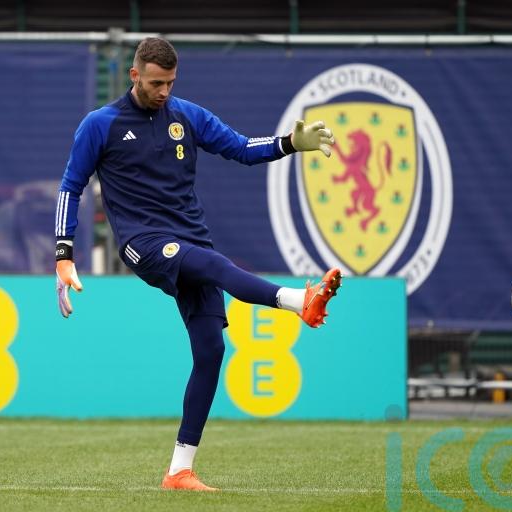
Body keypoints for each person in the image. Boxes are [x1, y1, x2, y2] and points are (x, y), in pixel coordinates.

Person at [54, 36, 341, 492]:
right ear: (134, 76)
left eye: (169, 82)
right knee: (212, 263)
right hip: (144, 244)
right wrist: (64, 254)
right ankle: (298, 301)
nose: (163, 91)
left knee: (210, 351)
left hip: (190, 238)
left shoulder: (186, 116)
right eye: (154, 83)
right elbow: (71, 186)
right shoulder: (100, 124)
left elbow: (243, 148)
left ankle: (178, 471)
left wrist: (289, 142)